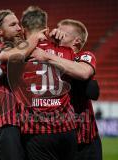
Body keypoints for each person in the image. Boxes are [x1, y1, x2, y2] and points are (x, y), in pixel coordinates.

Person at [0, 9, 45, 160]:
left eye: (19, 24)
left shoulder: (24, 48)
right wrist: (36, 36)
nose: (19, 28)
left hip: (26, 124)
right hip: (5, 125)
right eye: (13, 25)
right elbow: (16, 56)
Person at [15, 6, 77, 160]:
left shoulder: (17, 56)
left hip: (37, 133)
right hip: (67, 130)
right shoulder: (66, 51)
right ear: (46, 29)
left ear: (23, 30)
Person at [35, 19, 102, 160]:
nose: (56, 33)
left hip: (84, 138)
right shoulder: (45, 54)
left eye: (62, 33)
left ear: (76, 41)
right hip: (53, 137)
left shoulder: (84, 56)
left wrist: (47, 56)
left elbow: (84, 72)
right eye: (56, 30)